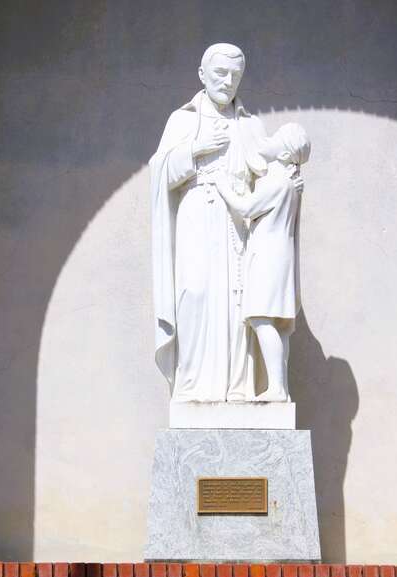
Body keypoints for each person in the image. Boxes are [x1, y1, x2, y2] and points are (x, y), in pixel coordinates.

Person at [149, 43, 268, 402]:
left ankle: (237, 388)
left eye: (235, 75)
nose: (228, 81)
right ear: (202, 75)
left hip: (236, 224)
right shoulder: (183, 121)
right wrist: (195, 148)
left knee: (238, 303)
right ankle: (194, 386)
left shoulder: (250, 125)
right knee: (195, 293)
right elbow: (160, 174)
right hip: (196, 214)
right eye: (220, 73)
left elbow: (268, 175)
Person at [212, 123, 311, 401]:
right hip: (281, 257)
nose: (270, 138)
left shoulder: (276, 183)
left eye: (277, 138)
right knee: (278, 324)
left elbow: (246, 207)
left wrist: (222, 186)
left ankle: (277, 388)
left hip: (268, 257)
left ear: (283, 155)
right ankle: (282, 387)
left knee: (260, 317)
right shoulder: (289, 183)